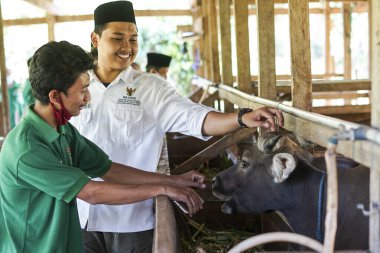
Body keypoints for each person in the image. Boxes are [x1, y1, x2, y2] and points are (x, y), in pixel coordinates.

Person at [70, 1, 284, 253]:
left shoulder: (150, 87)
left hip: (132, 219)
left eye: (133, 39)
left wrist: (240, 118)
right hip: (80, 214)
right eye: (117, 38)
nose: (127, 47)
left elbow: (194, 117)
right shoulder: (75, 84)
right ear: (95, 39)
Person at [0, 40, 206, 253]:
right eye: (83, 90)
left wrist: (173, 180)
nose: (88, 98)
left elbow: (107, 169)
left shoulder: (62, 130)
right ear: (54, 96)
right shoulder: (27, 149)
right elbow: (92, 193)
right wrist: (162, 189)